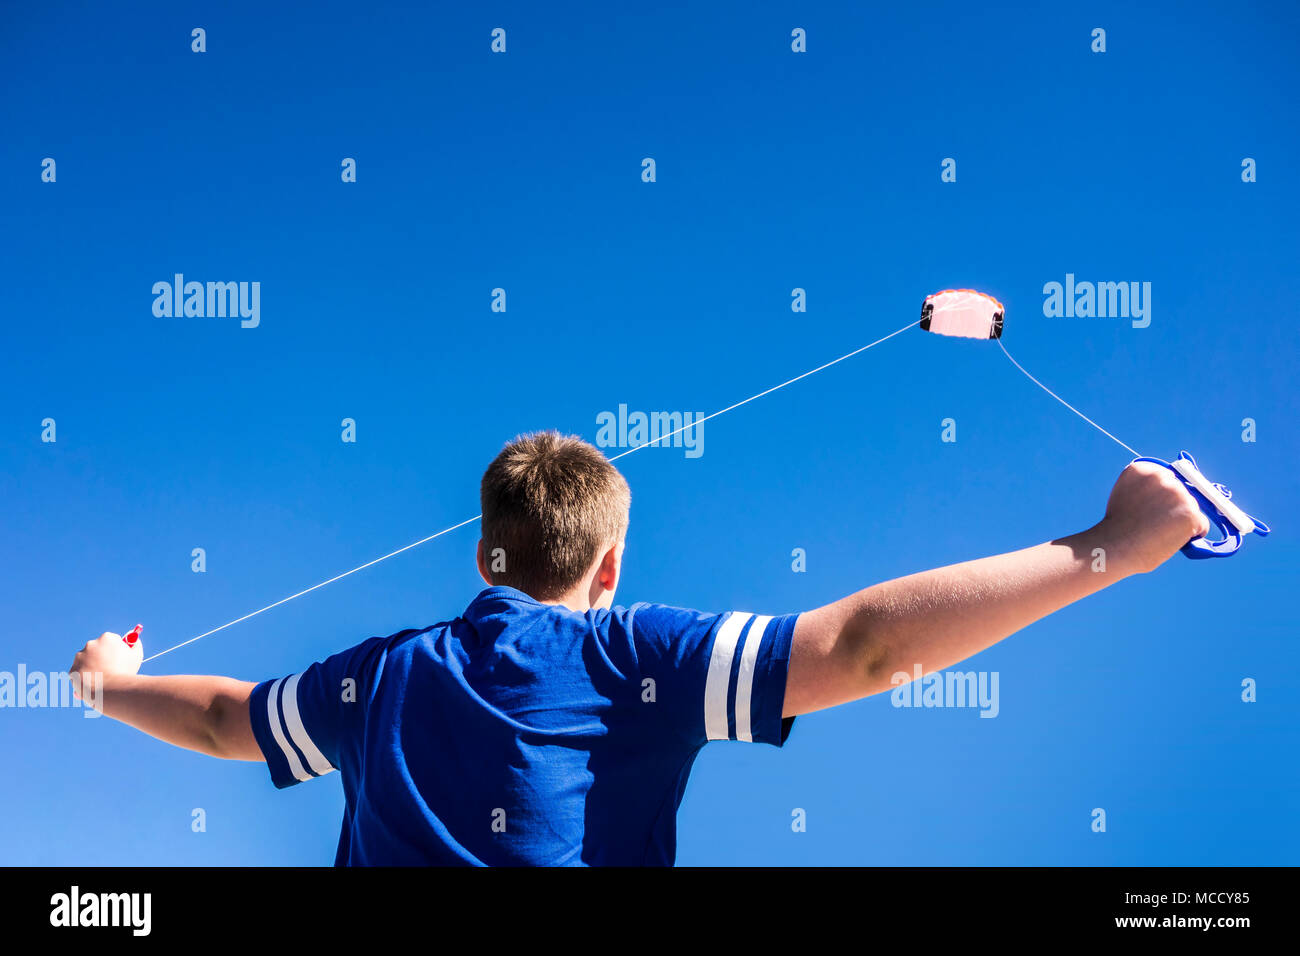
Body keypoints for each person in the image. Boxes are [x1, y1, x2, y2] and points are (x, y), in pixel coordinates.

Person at [69, 431, 1208, 865]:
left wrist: (110, 686)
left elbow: (224, 718)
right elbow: (859, 648)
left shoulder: (380, 675)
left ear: (484, 558)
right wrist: (1113, 544)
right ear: (609, 569)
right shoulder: (625, 654)